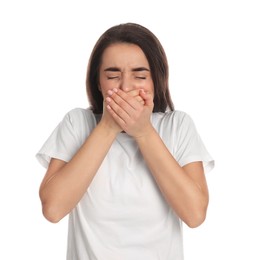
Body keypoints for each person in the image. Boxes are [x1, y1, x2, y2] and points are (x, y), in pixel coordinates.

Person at [36, 23, 214, 260]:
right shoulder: (77, 123)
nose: (126, 87)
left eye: (140, 76)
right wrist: (108, 126)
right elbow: (53, 209)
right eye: (112, 76)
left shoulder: (177, 126)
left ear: (155, 81)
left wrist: (144, 132)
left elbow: (195, 215)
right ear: (98, 82)